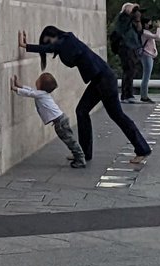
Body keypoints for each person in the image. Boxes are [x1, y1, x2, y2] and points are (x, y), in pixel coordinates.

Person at [18, 27, 152, 166]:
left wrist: (26, 46)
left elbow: (51, 48)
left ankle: (142, 149)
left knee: (117, 116)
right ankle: (84, 153)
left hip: (104, 80)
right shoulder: (67, 41)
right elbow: (53, 48)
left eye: (49, 41)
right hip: (99, 80)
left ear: (54, 36)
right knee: (82, 111)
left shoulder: (66, 40)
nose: (50, 45)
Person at [11, 72, 86, 168]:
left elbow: (29, 93)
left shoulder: (40, 94)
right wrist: (19, 86)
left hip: (60, 122)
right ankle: (77, 155)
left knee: (69, 140)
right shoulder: (41, 93)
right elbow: (31, 90)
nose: (36, 81)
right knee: (69, 139)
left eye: (38, 80)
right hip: (61, 120)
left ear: (41, 85)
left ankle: (80, 158)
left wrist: (15, 88)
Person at [109, 2, 142, 103]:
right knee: (128, 70)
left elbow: (139, 30)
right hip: (125, 47)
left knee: (131, 71)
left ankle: (128, 94)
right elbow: (122, 28)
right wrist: (134, 9)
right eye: (132, 9)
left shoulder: (130, 21)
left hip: (132, 48)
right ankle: (126, 95)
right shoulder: (123, 18)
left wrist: (138, 20)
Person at [135, 12, 160, 103]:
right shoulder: (144, 32)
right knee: (146, 76)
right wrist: (158, 27)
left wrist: (159, 29)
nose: (151, 24)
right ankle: (144, 96)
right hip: (146, 55)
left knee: (147, 75)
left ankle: (144, 95)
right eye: (149, 23)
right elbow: (157, 37)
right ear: (145, 24)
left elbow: (159, 38)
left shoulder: (146, 32)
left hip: (148, 55)